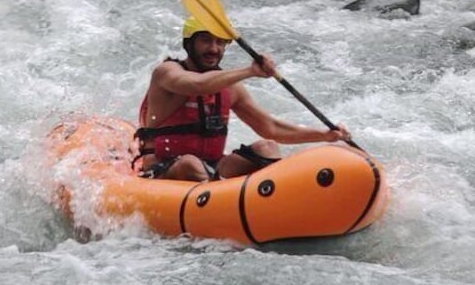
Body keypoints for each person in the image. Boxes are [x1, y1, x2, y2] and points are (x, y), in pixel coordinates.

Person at [132, 16, 354, 182]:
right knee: (190, 164)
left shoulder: (230, 87)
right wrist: (250, 71)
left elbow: (271, 127)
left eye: (220, 43)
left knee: (267, 147)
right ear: (189, 44)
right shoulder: (167, 72)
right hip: (164, 168)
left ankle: (280, 195)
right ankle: (222, 200)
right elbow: (196, 85)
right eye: (206, 41)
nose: (214, 49)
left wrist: (325, 135)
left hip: (213, 168)